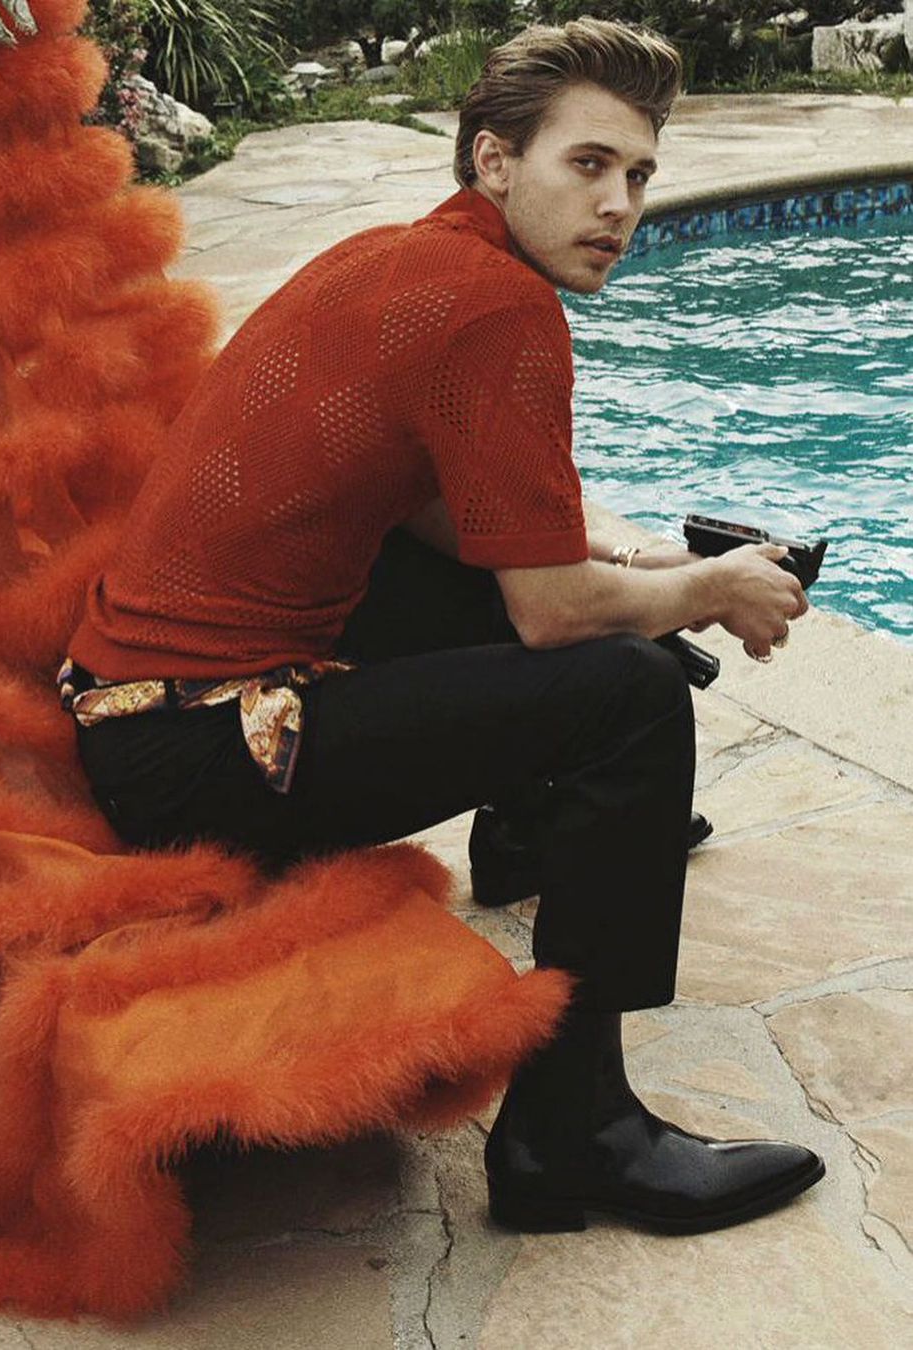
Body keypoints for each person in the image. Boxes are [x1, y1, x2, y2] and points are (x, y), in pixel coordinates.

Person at [63, 19, 824, 1233]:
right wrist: (713, 589)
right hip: (210, 752)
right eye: (588, 165)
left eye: (639, 175)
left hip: (126, 716)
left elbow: (445, 515)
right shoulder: (497, 309)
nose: (620, 206)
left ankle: (530, 832)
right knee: (630, 692)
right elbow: (551, 610)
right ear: (494, 162)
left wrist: (650, 563)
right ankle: (572, 1132)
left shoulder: (400, 258)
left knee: (555, 613)